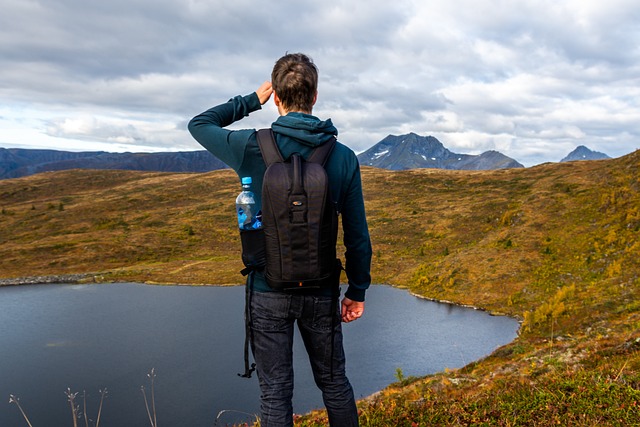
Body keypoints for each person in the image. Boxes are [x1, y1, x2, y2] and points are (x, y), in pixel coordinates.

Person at [188, 53, 372, 427]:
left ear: (276, 98)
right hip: (321, 291)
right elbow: (357, 235)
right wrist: (357, 289)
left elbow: (200, 123)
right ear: (315, 96)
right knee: (335, 383)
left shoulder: (249, 145)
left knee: (275, 394)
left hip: (266, 289)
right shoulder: (343, 157)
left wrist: (249, 101)